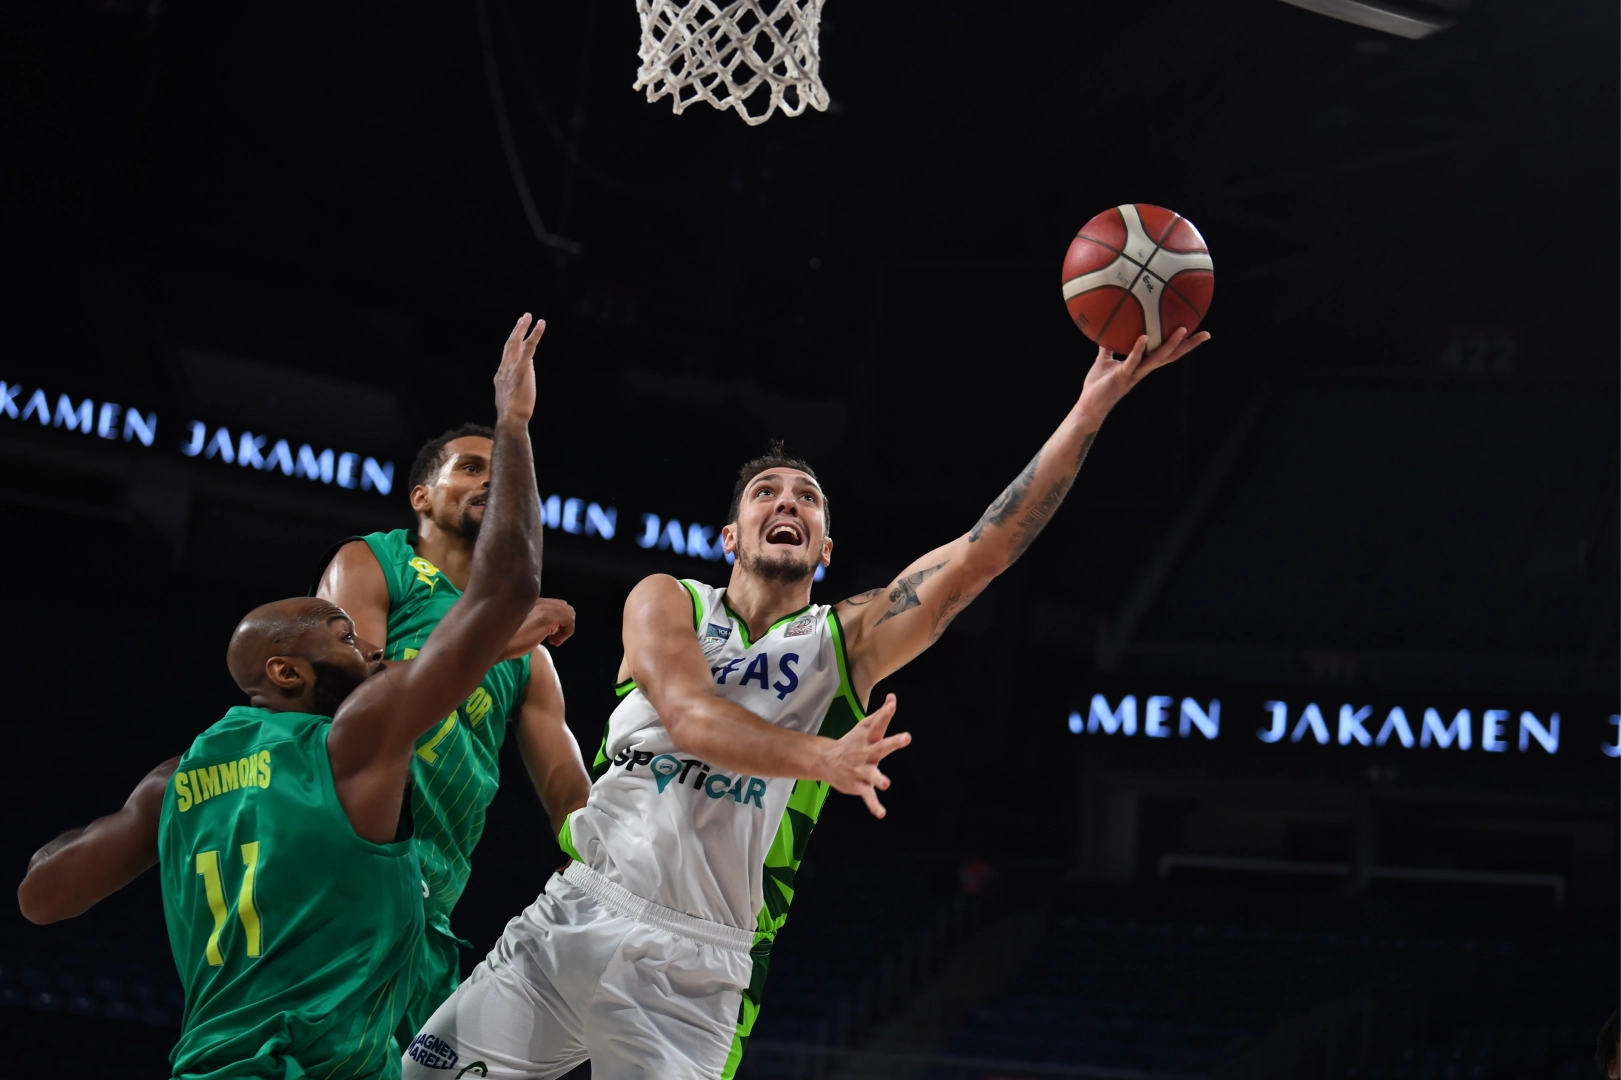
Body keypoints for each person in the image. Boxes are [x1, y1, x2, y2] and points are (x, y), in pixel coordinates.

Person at [402, 328, 1210, 1080]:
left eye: (806, 499)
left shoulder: (845, 641)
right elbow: (687, 714)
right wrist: (824, 757)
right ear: (730, 536)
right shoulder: (667, 598)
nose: (786, 502)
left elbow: (981, 554)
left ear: (824, 547)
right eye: (765, 493)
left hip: (695, 963)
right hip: (579, 910)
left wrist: (1088, 410)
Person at [17, 314, 553, 1080]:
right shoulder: (351, 746)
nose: (369, 648)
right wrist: (513, 423)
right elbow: (508, 587)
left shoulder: (175, 782)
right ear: (288, 674)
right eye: (344, 638)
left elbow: (42, 896)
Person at [314, 417, 592, 1048]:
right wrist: (492, 642)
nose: (492, 482)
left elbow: (566, 787)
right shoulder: (374, 561)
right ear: (422, 497)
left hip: (431, 905)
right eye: (470, 468)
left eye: (504, 474)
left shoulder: (531, 656)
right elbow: (344, 696)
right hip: (343, 870)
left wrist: (610, 851)